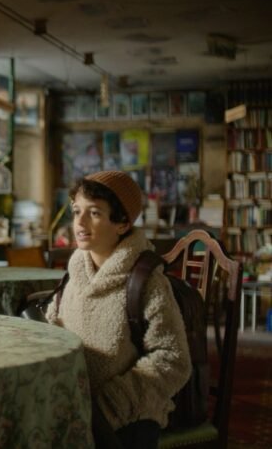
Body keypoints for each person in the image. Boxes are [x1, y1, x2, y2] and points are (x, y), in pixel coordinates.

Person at [45, 170, 191, 449]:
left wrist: (112, 404)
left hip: (128, 415)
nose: (80, 223)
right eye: (77, 211)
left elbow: (173, 359)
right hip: (76, 407)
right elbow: (54, 323)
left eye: (94, 213)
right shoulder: (76, 271)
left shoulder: (146, 281)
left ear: (122, 223)